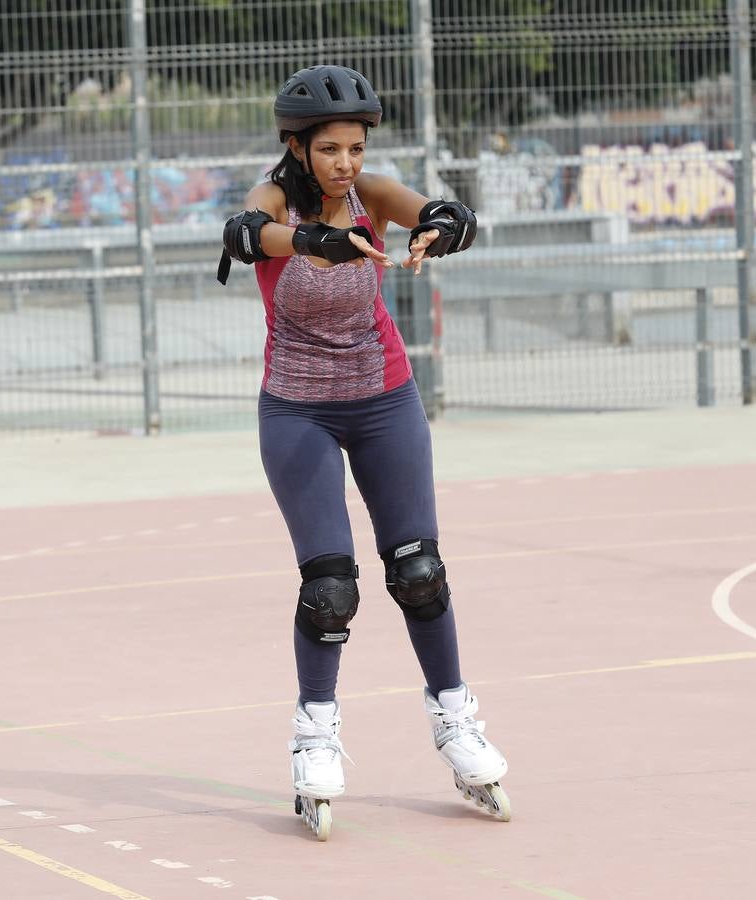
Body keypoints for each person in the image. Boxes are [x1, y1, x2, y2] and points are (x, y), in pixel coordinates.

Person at [218, 64, 509, 840]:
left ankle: (454, 719)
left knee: (418, 570)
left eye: (354, 147)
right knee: (330, 588)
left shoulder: (368, 194)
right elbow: (247, 233)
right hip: (296, 410)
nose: (345, 163)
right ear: (295, 146)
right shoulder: (277, 198)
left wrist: (441, 226)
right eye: (329, 149)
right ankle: (314, 732)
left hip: (384, 398)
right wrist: (309, 240)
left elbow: (437, 209)